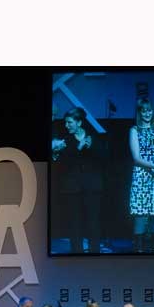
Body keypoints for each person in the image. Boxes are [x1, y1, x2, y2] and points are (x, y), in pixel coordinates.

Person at [53, 106, 105, 253]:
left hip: (92, 187)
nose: (66, 125)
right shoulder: (65, 141)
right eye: (65, 122)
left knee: (93, 223)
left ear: (79, 122)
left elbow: (104, 158)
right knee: (74, 224)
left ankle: (95, 252)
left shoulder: (94, 138)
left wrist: (91, 146)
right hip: (72, 188)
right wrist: (77, 148)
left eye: (69, 122)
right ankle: (76, 254)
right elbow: (64, 165)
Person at [128, 97, 154, 253]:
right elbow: (137, 158)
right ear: (139, 112)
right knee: (141, 214)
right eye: (144, 110)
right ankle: (138, 248)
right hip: (141, 176)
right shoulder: (134, 130)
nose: (147, 113)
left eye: (149, 110)